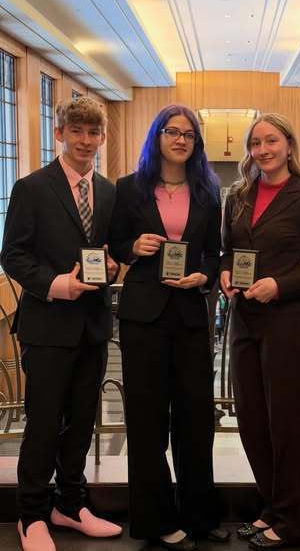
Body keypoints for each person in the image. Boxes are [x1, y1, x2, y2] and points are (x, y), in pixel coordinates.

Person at [1, 97, 122, 551]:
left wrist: (112, 268)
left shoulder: (110, 192)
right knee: (44, 422)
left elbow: (114, 251)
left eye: (93, 133)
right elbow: (12, 254)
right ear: (59, 133)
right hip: (47, 326)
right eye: (77, 132)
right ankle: (30, 515)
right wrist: (55, 284)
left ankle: (70, 506)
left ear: (102, 137)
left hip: (92, 327)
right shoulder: (31, 188)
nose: (86, 141)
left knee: (82, 422)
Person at [110, 104, 228, 550]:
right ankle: (155, 519)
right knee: (147, 420)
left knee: (197, 419)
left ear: (196, 144)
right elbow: (116, 243)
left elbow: (214, 253)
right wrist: (132, 246)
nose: (181, 139)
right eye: (171, 131)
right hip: (144, 317)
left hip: (192, 316)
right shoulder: (128, 189)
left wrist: (204, 274)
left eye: (189, 134)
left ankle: (201, 516)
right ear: (156, 137)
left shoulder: (208, 191)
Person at [220, 113, 300, 549]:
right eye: (255, 143)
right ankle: (273, 507)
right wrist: (227, 273)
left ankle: (295, 522)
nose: (263, 150)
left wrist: (280, 286)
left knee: (283, 422)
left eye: (271, 141)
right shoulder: (239, 195)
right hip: (243, 320)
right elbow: (230, 250)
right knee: (251, 420)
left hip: (285, 322)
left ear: (288, 145)